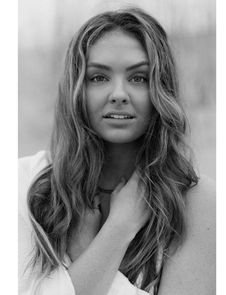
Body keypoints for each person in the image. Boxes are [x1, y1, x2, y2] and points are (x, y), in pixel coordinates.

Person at [18, 7, 215, 295]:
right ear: (76, 89)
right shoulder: (22, 184)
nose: (119, 94)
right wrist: (118, 231)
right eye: (98, 77)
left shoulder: (199, 203)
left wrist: (94, 246)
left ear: (161, 88)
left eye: (138, 78)